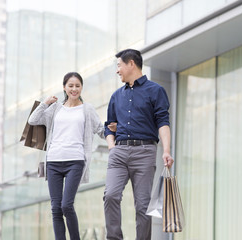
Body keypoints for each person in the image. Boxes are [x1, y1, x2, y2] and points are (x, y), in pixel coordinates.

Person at [103, 49, 174, 240]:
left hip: (144, 151)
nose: (117, 70)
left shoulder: (156, 91)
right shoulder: (116, 96)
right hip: (119, 151)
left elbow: (163, 122)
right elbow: (108, 127)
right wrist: (112, 147)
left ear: (131, 63)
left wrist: (166, 150)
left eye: (119, 65)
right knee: (110, 195)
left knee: (142, 206)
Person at [28, 72, 105, 240]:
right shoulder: (55, 108)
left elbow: (101, 130)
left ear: (81, 88)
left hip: (75, 161)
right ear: (64, 87)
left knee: (66, 205)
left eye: (77, 86)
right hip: (54, 161)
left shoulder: (87, 109)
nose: (74, 89)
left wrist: (113, 131)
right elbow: (33, 120)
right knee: (56, 208)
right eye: (70, 86)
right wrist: (45, 103)